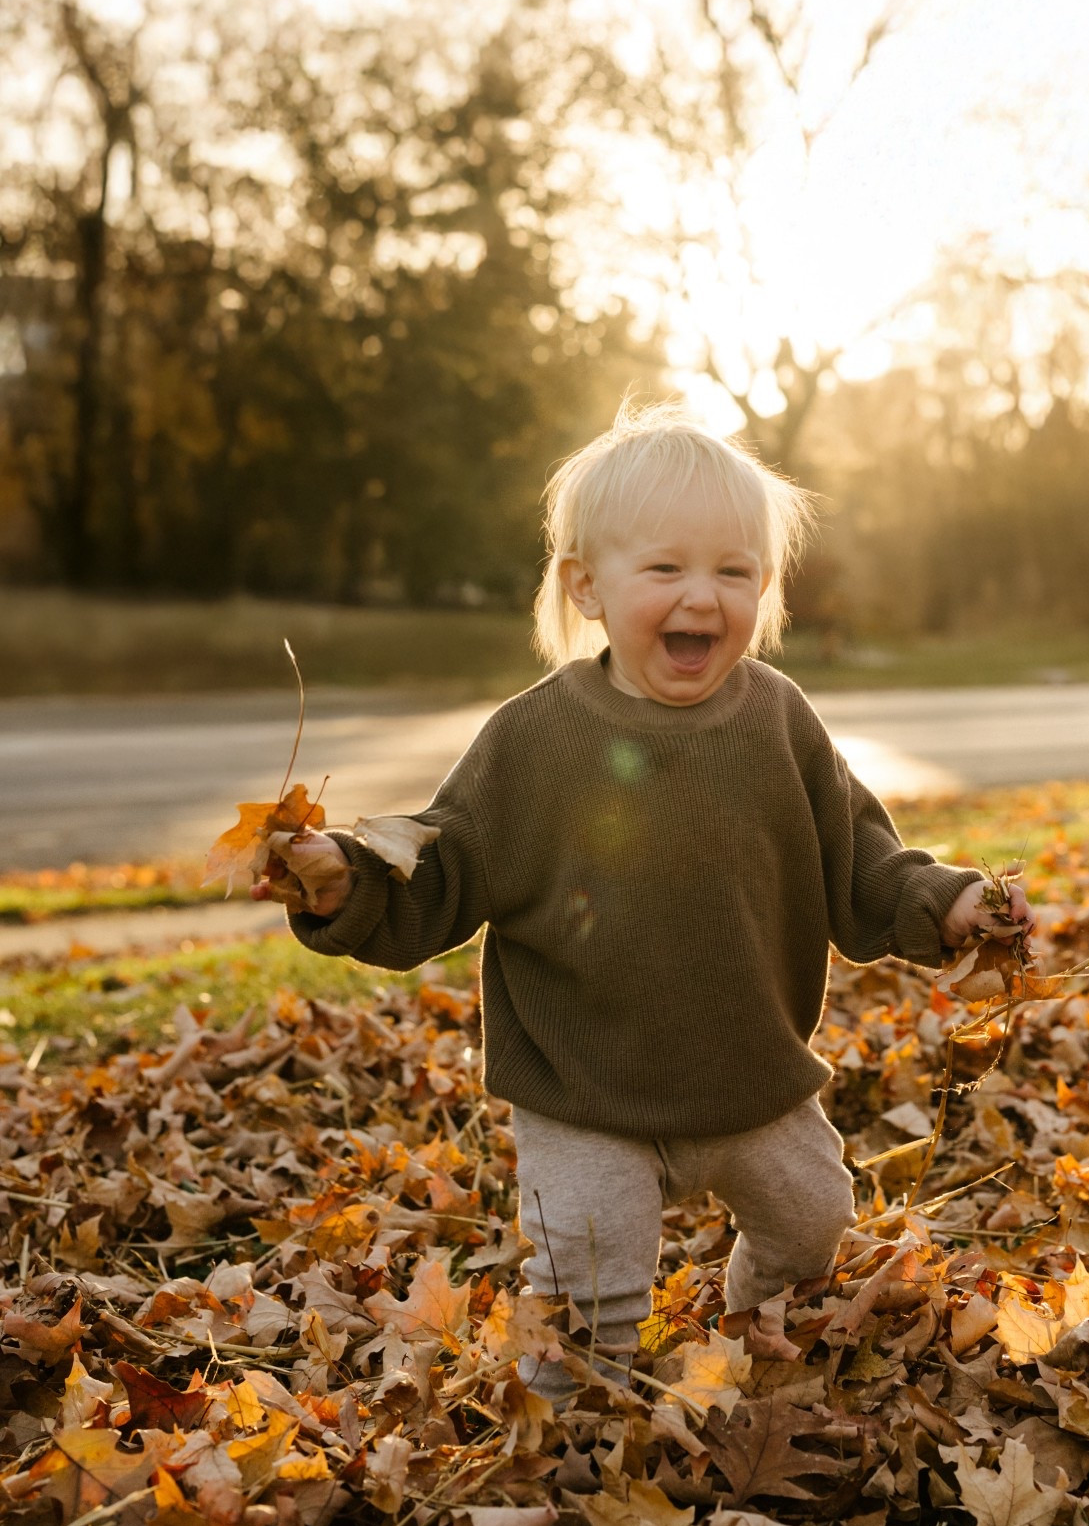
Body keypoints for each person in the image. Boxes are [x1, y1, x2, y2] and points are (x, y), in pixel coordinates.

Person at [258, 400, 1032, 1391]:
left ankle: (755, 1324)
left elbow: (862, 859)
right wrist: (342, 881)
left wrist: (951, 901)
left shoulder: (778, 721)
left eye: (734, 570)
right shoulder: (534, 739)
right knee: (593, 1280)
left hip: (749, 1071)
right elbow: (441, 872)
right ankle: (572, 1433)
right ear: (587, 585)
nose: (701, 596)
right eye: (665, 568)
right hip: (585, 1090)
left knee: (812, 1223)